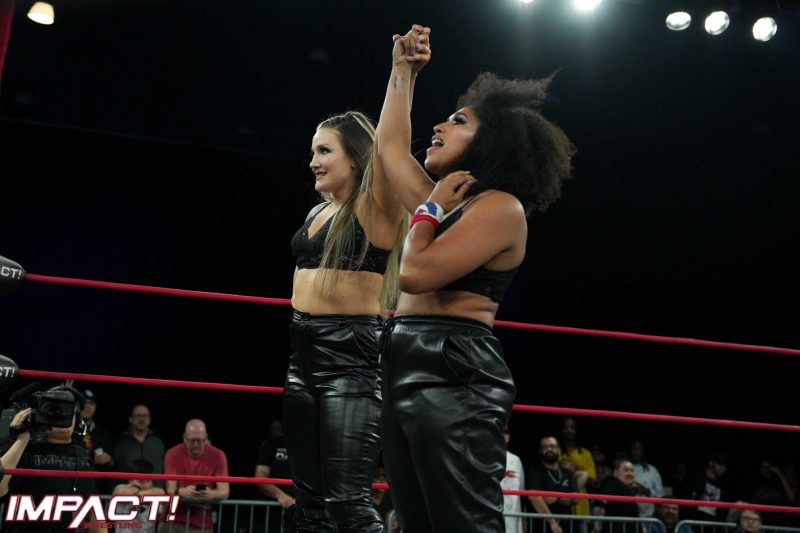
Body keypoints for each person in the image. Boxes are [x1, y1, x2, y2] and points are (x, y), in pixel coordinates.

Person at [376, 24, 575, 532]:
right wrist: (403, 72)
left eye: (458, 120)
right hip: (402, 358)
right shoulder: (446, 203)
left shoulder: (500, 207)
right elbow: (390, 149)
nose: (439, 125)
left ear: (491, 142)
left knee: (465, 524)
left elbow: (414, 272)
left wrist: (426, 210)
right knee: (417, 522)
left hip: (454, 370)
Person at [284, 109, 406, 532]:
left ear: (355, 157)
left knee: (348, 503)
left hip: (349, 360)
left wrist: (402, 78)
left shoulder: (375, 209)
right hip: (301, 357)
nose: (313, 162)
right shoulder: (316, 213)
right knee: (309, 503)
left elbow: (391, 146)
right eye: (312, 152)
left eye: (324, 151)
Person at [0, 386, 107, 533]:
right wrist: (22, 439)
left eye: (67, 411)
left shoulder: (84, 456)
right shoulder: (23, 450)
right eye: (55, 410)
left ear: (77, 420)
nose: (61, 415)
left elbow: (94, 509)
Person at [163, 419, 229, 533]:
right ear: (184, 438)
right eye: (192, 440)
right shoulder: (172, 454)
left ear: (206, 438)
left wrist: (208, 494)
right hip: (172, 520)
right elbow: (170, 489)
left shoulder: (218, 455)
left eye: (200, 440)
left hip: (201, 522)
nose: (196, 445)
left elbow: (225, 492)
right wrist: (182, 492)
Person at [111, 459, 166, 533]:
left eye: (148, 481)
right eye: (141, 481)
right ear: (130, 479)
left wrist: (137, 494)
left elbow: (161, 492)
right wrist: (138, 491)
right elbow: (121, 492)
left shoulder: (155, 492)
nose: (146, 484)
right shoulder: (121, 487)